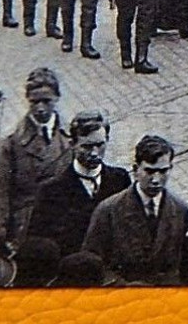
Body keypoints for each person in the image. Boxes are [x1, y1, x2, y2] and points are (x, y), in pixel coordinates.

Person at [80, 133, 188, 285]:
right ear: (135, 170)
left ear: (171, 168)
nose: (156, 180)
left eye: (163, 171)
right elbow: (91, 264)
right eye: (149, 171)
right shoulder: (108, 211)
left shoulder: (180, 210)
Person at [0, 67, 71, 249]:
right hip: (26, 226)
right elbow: (0, 192)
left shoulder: (71, 137)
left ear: (57, 98)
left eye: (46, 101)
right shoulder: (12, 142)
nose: (40, 108)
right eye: (34, 102)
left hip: (63, 221)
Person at [25, 110, 130, 258]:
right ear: (72, 144)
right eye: (86, 147)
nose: (94, 153)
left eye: (100, 145)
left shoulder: (120, 180)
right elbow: (40, 246)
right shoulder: (51, 191)